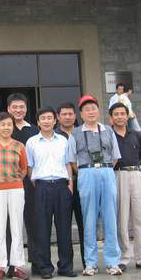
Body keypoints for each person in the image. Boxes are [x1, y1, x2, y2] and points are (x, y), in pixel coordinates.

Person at [67, 95, 122, 276]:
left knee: (110, 218)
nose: (90, 112)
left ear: (98, 111)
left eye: (93, 109)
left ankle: (112, 262)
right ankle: (90, 263)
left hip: (106, 171)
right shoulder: (75, 133)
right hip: (86, 173)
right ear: (81, 114)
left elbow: (115, 157)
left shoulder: (108, 130)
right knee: (88, 219)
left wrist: (104, 169)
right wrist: (85, 171)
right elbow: (71, 160)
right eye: (86, 109)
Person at [26, 107, 75, 279]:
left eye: (49, 118)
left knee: (64, 228)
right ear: (38, 122)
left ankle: (66, 266)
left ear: (55, 121)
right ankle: (45, 267)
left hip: (62, 186)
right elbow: (30, 167)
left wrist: (70, 185)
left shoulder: (63, 140)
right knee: (42, 229)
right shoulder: (31, 142)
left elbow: (68, 164)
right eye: (43, 118)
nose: (46, 121)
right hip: (42, 187)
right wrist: (39, 184)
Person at [0, 112, 29, 280]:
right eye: (3, 125)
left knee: (17, 227)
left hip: (16, 189)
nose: (6, 127)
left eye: (9, 124)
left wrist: (14, 181)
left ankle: (17, 266)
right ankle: (0, 267)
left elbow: (24, 169)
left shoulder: (19, 146)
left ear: (13, 127)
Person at [110, 103, 141, 273]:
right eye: (116, 114)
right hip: (119, 175)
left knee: (139, 218)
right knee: (121, 220)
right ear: (111, 117)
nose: (119, 117)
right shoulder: (109, 135)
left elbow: (140, 157)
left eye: (122, 113)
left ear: (127, 115)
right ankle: (123, 258)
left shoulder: (136, 135)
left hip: (136, 174)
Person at [7, 93, 40, 276]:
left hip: (30, 183)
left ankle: (37, 261)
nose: (18, 110)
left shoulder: (34, 130)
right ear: (8, 109)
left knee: (34, 222)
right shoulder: (4, 129)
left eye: (21, 107)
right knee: (11, 225)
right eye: (15, 107)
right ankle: (12, 265)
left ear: (26, 109)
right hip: (9, 184)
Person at [55, 102, 85, 270]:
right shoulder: (53, 136)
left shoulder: (83, 133)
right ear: (58, 117)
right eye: (64, 114)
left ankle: (88, 262)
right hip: (63, 186)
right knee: (63, 226)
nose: (67, 117)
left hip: (83, 183)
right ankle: (66, 265)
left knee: (85, 224)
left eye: (70, 114)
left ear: (75, 116)